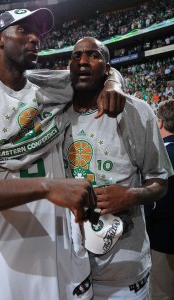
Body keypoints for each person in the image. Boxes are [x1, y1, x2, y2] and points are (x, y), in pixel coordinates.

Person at [0, 9, 124, 300]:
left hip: (64, 235)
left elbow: (101, 68)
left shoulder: (52, 84)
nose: (35, 38)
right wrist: (45, 187)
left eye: (38, 33)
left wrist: (114, 83)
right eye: (24, 30)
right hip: (9, 247)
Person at [62, 37, 173, 299]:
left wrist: (131, 195)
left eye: (93, 55)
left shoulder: (138, 112)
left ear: (108, 66)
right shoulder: (57, 113)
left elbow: (160, 181)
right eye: (76, 56)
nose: (83, 61)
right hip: (70, 268)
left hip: (123, 274)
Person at [145, 100, 174, 300]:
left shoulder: (159, 155)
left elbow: (152, 204)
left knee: (161, 294)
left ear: (161, 123)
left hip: (164, 240)